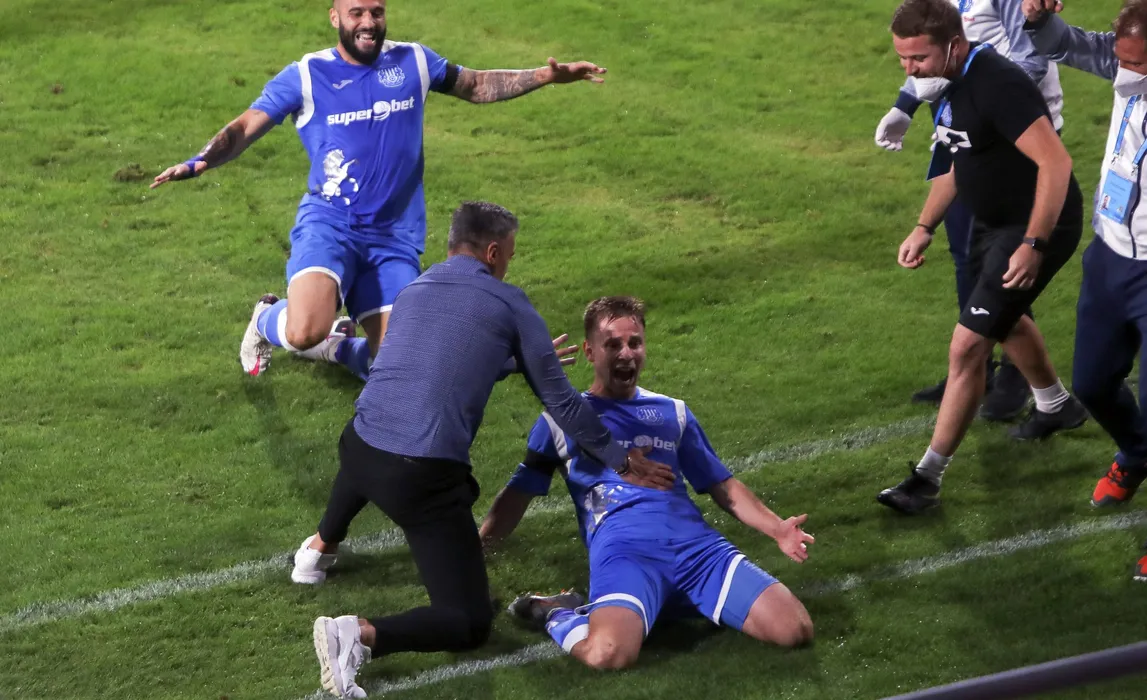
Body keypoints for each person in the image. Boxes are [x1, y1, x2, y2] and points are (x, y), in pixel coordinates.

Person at [292, 203, 675, 699]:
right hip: (419, 479)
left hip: (358, 447)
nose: (509, 263)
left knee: (377, 434)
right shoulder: (509, 303)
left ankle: (318, 550)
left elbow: (432, 366)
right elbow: (562, 402)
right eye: (509, 254)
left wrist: (510, 361)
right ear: (493, 252)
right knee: (469, 620)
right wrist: (622, 459)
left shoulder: (413, 289)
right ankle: (357, 635)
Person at [151, 0, 608, 381]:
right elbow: (247, 126)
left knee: (401, 366)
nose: (368, 22)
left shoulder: (414, 61)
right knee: (304, 330)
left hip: (393, 237)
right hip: (330, 226)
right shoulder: (307, 75)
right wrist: (200, 160)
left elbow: (474, 85)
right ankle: (266, 317)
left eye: (377, 12)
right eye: (357, 13)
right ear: (335, 17)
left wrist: (547, 76)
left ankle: (336, 349)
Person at [477, 296, 815, 670]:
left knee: (795, 629)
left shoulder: (673, 412)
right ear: (589, 352)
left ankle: (664, 604)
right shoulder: (561, 422)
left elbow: (722, 485)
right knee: (608, 655)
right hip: (625, 558)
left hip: (696, 551)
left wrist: (776, 528)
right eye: (613, 345)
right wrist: (477, 551)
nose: (626, 354)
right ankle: (555, 612)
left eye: (634, 343)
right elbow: (518, 494)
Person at [877, 0, 1088, 516]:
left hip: (1036, 223)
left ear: (954, 45)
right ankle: (1057, 406)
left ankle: (926, 479)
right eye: (902, 58)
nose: (909, 69)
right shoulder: (944, 82)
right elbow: (956, 161)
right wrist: (924, 226)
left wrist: (1034, 243)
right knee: (1005, 319)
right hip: (993, 223)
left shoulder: (997, 83)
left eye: (918, 58)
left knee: (968, 346)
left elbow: (1056, 164)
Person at [1023, 0, 1147, 581]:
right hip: (1110, 256)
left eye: (1140, 65)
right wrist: (1036, 20)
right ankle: (1138, 452)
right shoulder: (1125, 58)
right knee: (1094, 382)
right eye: (1124, 60)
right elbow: (1064, 43)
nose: (1127, 73)